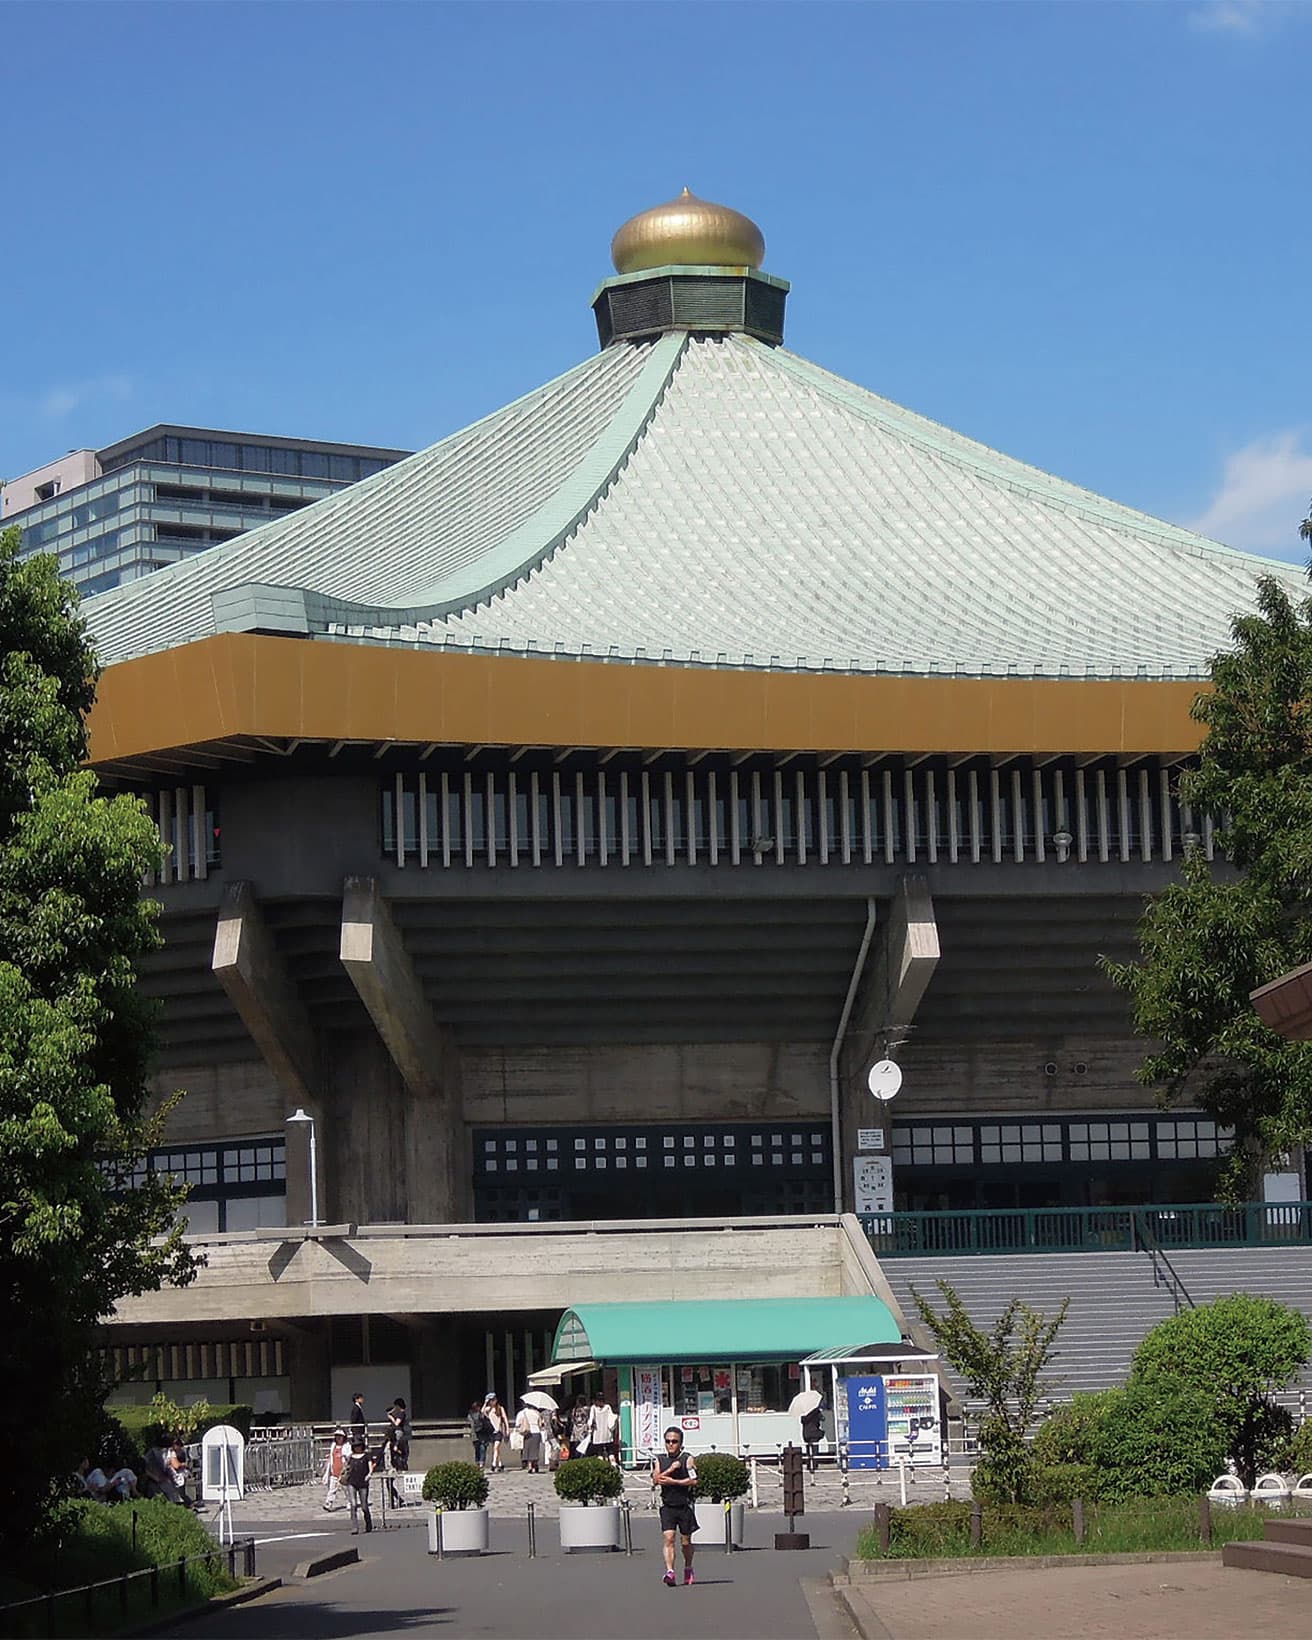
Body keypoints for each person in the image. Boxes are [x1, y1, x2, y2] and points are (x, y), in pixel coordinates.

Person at [651, 1427, 698, 1587]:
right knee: (669, 1538)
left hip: (684, 1505)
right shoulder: (660, 1460)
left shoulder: (688, 1459)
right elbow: (656, 1479)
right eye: (668, 1441)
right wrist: (671, 1470)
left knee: (685, 1542)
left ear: (681, 1443)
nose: (671, 1444)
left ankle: (688, 1567)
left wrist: (675, 1482)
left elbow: (694, 1481)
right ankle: (670, 1571)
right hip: (668, 1506)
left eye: (674, 1441)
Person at [345, 1438, 374, 1534]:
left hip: (363, 1482)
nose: (357, 1448)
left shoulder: (366, 1456)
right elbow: (346, 1468)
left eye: (359, 1446)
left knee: (364, 1506)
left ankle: (368, 1523)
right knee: (353, 1505)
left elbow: (370, 1467)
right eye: (356, 1446)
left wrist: (369, 1474)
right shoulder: (350, 1457)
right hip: (351, 1482)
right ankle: (354, 1527)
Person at [589, 1389, 619, 1465]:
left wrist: (590, 1430)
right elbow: (612, 1418)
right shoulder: (608, 1407)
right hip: (608, 1434)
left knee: (599, 1452)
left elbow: (590, 1421)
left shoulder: (593, 1408)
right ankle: (614, 1465)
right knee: (610, 1451)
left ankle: (601, 1466)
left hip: (597, 1434)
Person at [515, 1401, 544, 1473]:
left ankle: (530, 1466)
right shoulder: (537, 1413)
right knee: (535, 1450)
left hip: (527, 1432)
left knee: (527, 1449)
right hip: (536, 1432)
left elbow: (518, 1423)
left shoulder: (522, 1413)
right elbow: (540, 1424)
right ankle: (536, 1464)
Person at [322, 1429, 347, 1510]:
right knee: (332, 1489)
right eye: (337, 1436)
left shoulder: (347, 1446)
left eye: (340, 1436)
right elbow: (331, 1457)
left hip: (343, 1473)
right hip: (334, 1472)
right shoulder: (333, 1445)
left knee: (346, 1489)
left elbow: (348, 1458)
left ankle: (350, 1502)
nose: (338, 1438)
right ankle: (328, 1503)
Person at [484, 1395, 509, 1472]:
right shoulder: (488, 1409)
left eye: (493, 1400)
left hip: (499, 1431)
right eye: (491, 1400)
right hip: (492, 1431)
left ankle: (494, 1464)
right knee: (496, 1449)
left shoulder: (500, 1408)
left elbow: (505, 1418)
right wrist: (485, 1403)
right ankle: (500, 1464)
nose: (493, 1402)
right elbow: (482, 1412)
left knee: (496, 1447)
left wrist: (507, 1429)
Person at [800, 1402, 825, 1474]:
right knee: (814, 1450)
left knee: (808, 1450)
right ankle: (814, 1465)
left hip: (806, 1434)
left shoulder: (804, 1413)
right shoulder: (816, 1412)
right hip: (814, 1433)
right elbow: (823, 1418)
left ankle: (809, 1465)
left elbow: (803, 1421)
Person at [567, 1394, 591, 1460]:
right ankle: (582, 1456)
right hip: (583, 1427)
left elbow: (572, 1419)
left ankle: (576, 1457)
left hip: (577, 1428)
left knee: (576, 1444)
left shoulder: (574, 1410)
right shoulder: (587, 1409)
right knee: (583, 1444)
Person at [468, 1399, 490, 1468]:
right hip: (482, 1434)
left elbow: (471, 1425)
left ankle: (478, 1463)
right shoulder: (481, 1414)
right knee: (482, 1449)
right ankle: (481, 1463)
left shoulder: (470, 1415)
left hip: (475, 1434)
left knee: (477, 1450)